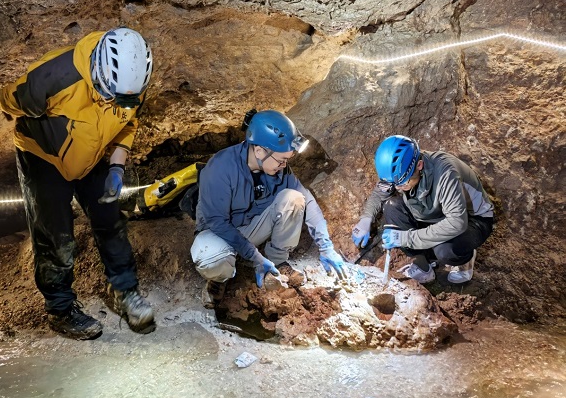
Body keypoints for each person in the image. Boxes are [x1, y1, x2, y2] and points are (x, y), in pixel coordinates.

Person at [0, 27, 156, 339]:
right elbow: (7, 99)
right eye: (112, 96)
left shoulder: (133, 84)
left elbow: (128, 124)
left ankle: (124, 290)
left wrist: (117, 168)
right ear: (98, 72)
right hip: (44, 157)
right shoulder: (54, 77)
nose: (118, 104)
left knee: (111, 221)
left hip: (91, 157)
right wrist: (14, 108)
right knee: (56, 237)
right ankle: (60, 309)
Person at [190, 110, 347, 308]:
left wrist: (326, 248)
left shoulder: (277, 168)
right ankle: (219, 280)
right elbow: (217, 222)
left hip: (251, 229)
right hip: (219, 233)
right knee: (211, 259)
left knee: (294, 198)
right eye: (281, 160)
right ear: (259, 151)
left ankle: (276, 263)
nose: (284, 166)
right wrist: (255, 257)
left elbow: (307, 201)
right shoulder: (220, 168)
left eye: (286, 161)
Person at [352, 135, 494, 284]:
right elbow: (380, 192)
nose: (398, 188)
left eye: (402, 183)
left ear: (419, 165)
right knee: (392, 208)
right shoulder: (401, 172)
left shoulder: (446, 173)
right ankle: (424, 265)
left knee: (445, 250)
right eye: (395, 184)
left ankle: (464, 259)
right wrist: (366, 219)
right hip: (435, 212)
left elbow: (457, 223)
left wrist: (406, 238)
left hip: (472, 219)